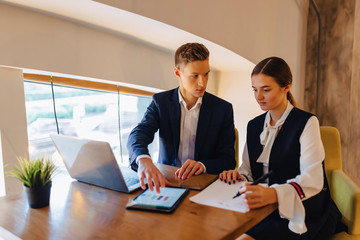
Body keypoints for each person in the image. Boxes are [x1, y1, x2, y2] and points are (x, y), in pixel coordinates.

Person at [219, 57, 341, 239]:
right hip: (264, 207)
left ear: (286, 87)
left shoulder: (307, 122)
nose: (258, 97)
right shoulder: (254, 126)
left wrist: (272, 194)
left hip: (302, 209)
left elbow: (313, 180)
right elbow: (248, 172)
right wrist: (239, 176)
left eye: (266, 90)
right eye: (255, 90)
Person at [127, 43, 236, 193]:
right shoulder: (161, 102)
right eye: (195, 75)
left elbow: (228, 161)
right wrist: (143, 159)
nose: (202, 83)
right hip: (166, 182)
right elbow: (139, 133)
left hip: (204, 187)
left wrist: (203, 165)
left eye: (206, 74)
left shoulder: (223, 109)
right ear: (177, 73)